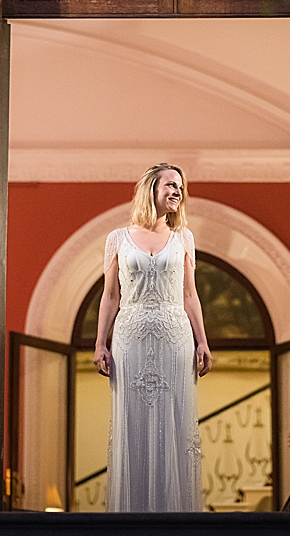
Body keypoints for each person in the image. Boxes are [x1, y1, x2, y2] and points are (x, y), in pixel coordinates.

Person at [94, 163, 212, 513]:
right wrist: (100, 343)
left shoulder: (184, 239)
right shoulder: (117, 238)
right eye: (171, 185)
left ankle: (175, 516)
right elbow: (110, 296)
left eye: (180, 187)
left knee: (175, 420)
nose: (177, 192)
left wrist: (203, 341)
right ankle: (131, 517)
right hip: (129, 336)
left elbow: (190, 294)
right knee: (133, 423)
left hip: (176, 336)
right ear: (152, 190)